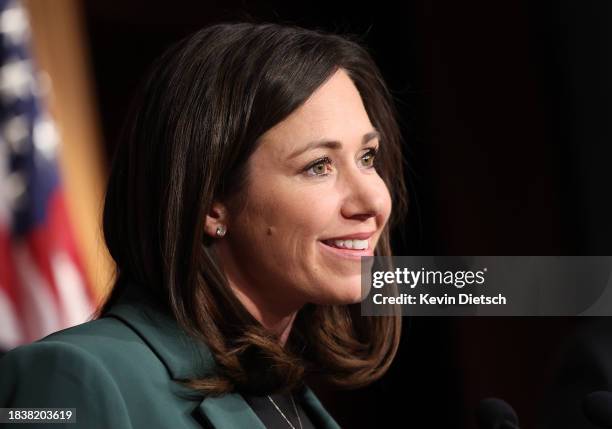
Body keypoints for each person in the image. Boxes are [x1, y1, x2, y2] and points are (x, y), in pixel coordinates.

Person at [0, 21, 408, 428]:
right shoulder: (67, 378)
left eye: (367, 158)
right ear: (211, 202)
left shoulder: (283, 395)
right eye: (319, 166)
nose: (373, 201)